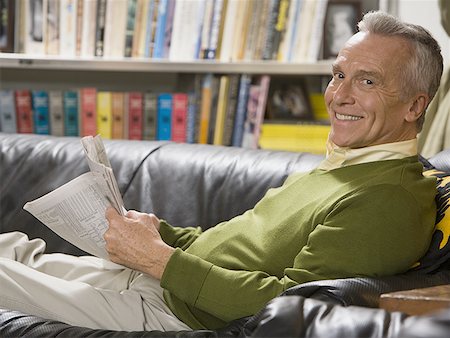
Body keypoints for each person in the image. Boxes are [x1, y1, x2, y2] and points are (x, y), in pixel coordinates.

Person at [0, 11, 444, 332]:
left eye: (367, 81)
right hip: (159, 282)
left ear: (414, 105)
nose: (338, 96)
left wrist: (158, 258)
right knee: (12, 246)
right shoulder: (345, 165)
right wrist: (160, 234)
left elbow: (290, 309)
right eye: (338, 75)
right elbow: (236, 247)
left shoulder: (388, 199)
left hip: (172, 313)